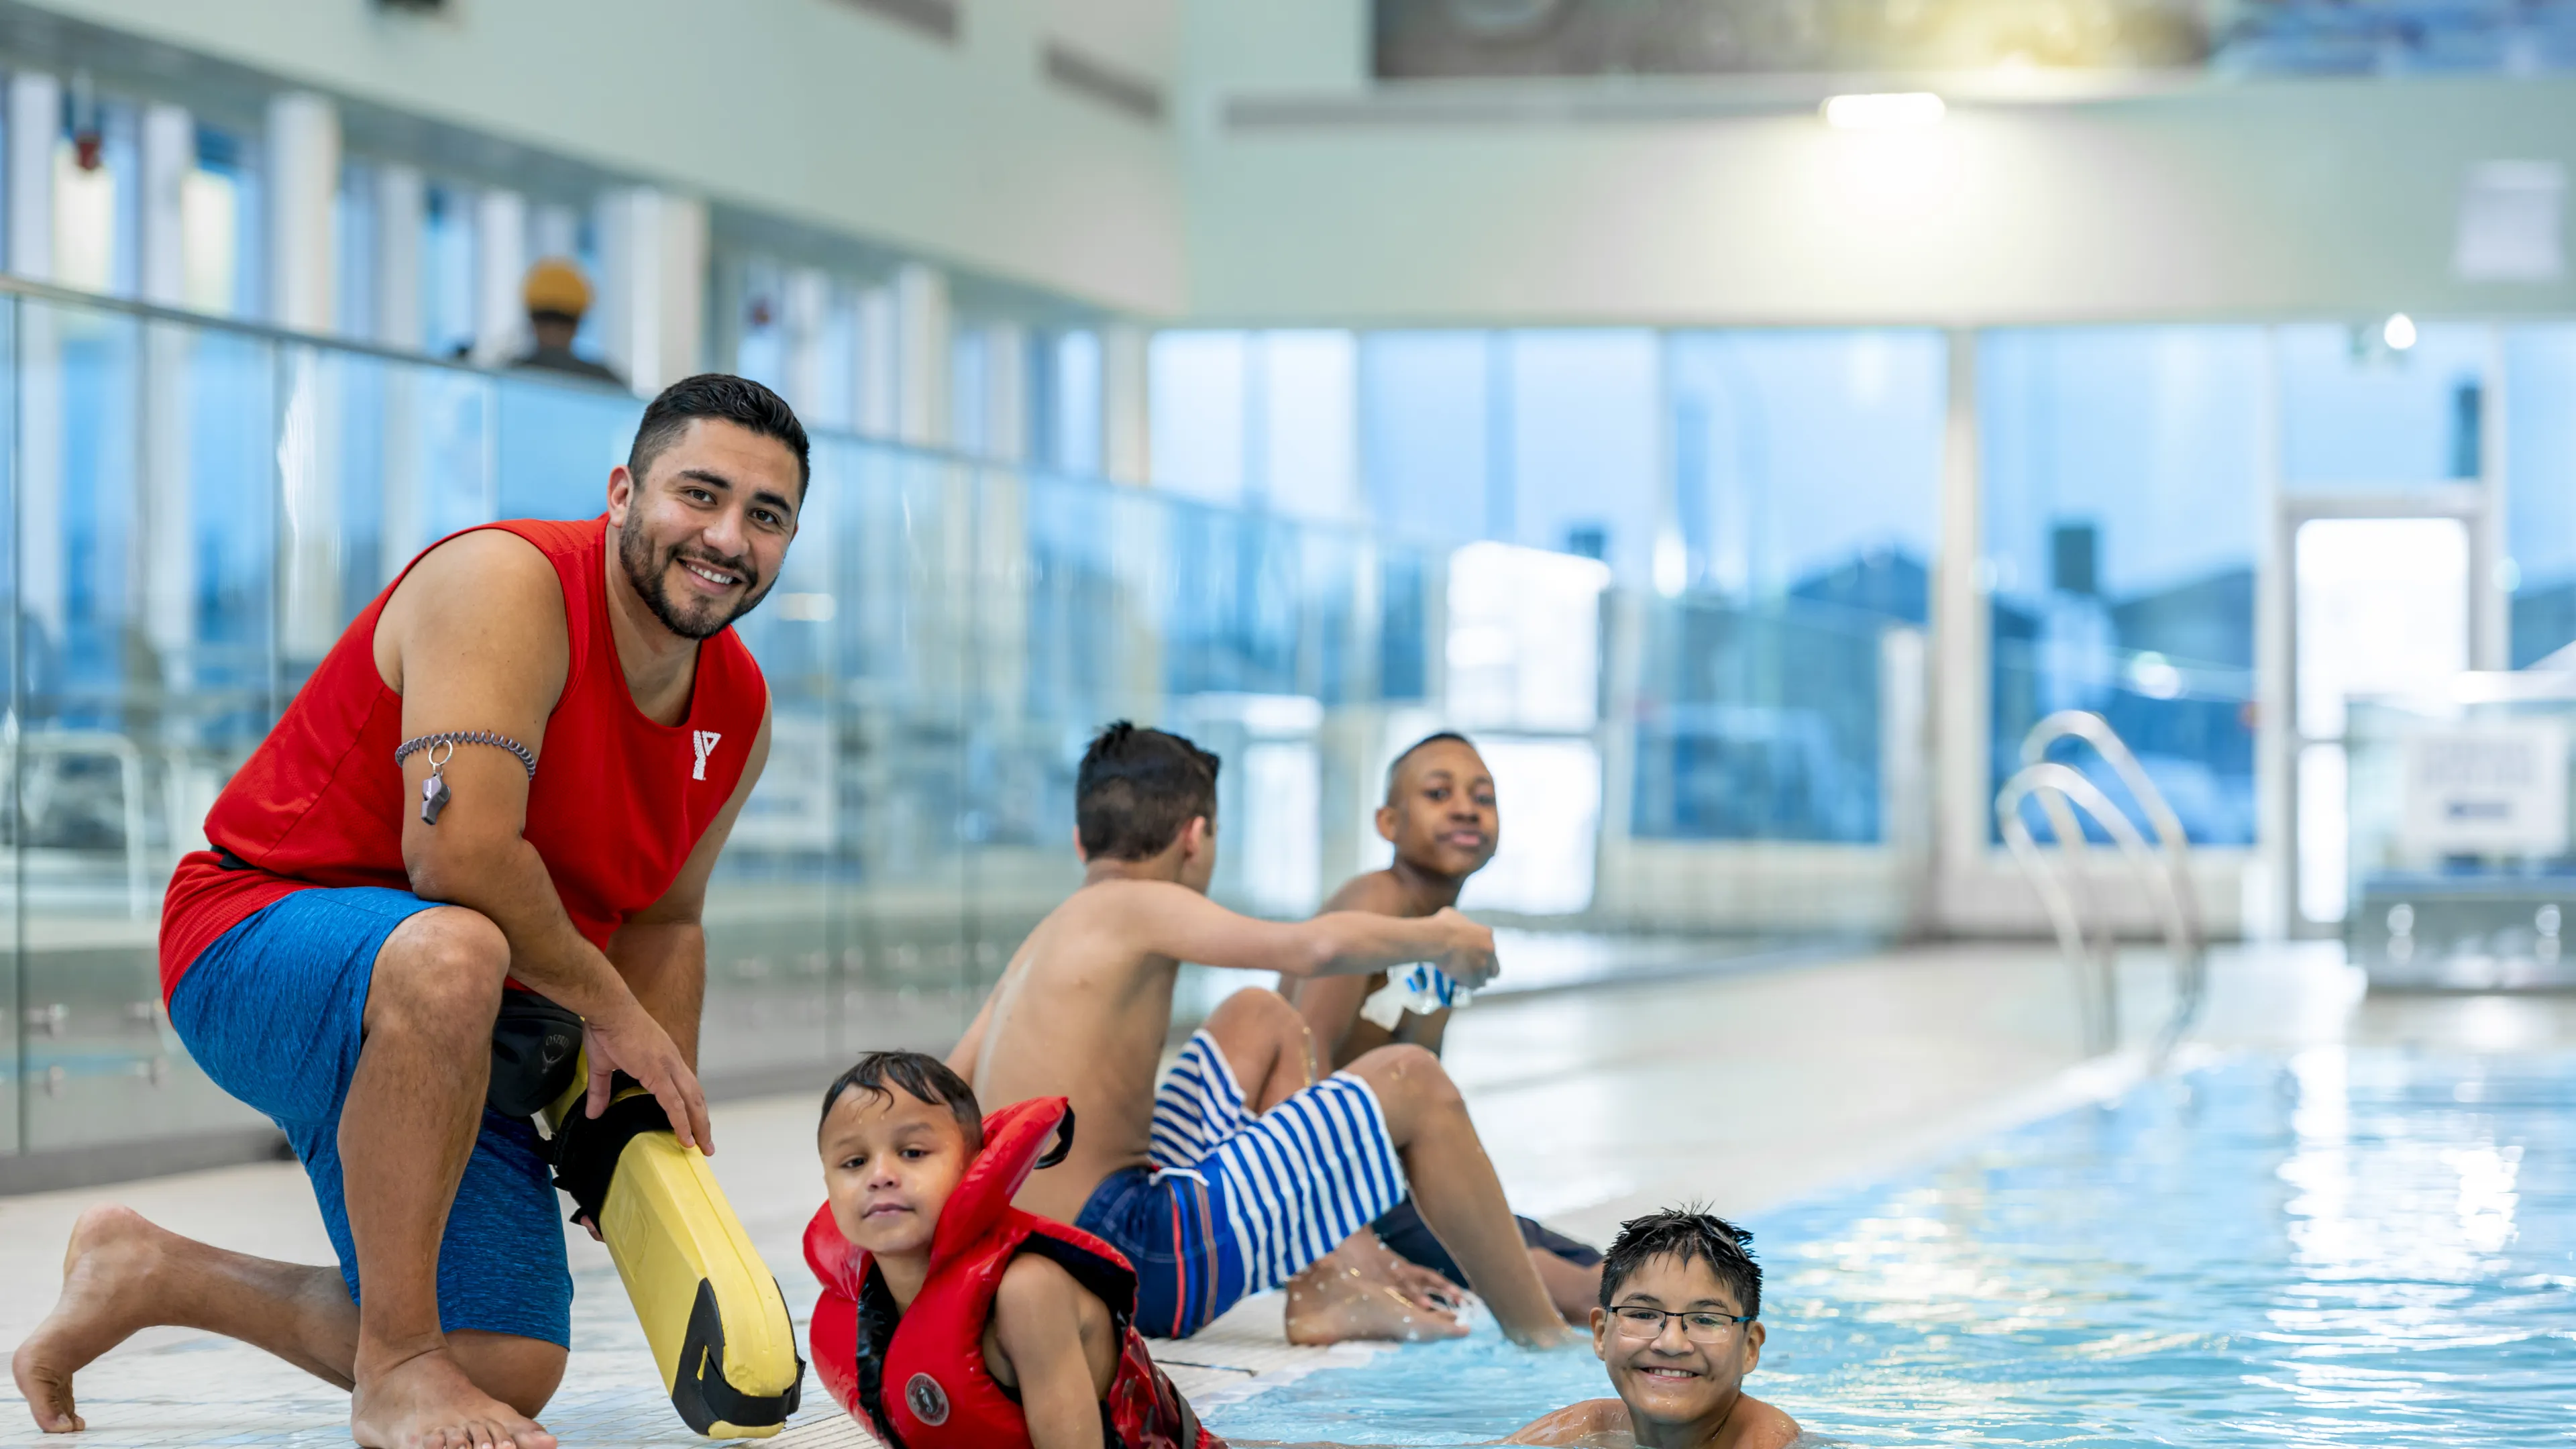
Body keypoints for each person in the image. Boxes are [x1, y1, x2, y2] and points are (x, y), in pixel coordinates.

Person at [10, 374, 808, 1449]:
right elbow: (457, 849)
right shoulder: (504, 582)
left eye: (767, 515)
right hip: (257, 938)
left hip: (460, 1012)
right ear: (623, 492)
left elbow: (667, 919)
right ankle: (392, 1367)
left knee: (505, 1360)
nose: (726, 537)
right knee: (453, 947)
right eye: (699, 495)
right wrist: (608, 1009)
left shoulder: (740, 709)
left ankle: (151, 1271)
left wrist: (639, 1127)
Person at [949, 722, 1570, 1349]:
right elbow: (1314, 946)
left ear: (1082, 842)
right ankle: (1544, 1340)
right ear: (1196, 837)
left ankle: (1327, 1280)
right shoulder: (1142, 900)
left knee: (1261, 1015)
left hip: (1033, 1248)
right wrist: (1446, 938)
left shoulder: (1045, 937)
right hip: (1122, 1253)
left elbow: (951, 1088)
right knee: (1412, 1079)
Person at [1284, 732, 1605, 1322]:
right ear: (1387, 822)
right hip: (1337, 1199)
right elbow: (1298, 1072)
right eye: (1439, 793)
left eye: (1483, 796)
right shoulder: (1374, 903)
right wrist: (1353, 1250)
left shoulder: (1443, 938)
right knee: (1596, 1297)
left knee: (1609, 1273)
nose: (1465, 807)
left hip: (1392, 1193)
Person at [804, 1051, 1222, 1449]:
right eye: (854, 1162)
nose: (880, 1175)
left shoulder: (1026, 1292)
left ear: (975, 1166)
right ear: (828, 1185)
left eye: (913, 1153)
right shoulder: (858, 1317)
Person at [1505, 1210, 1799, 1449]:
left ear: (1749, 1348)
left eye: (1706, 1320)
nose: (1671, 1342)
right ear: (1601, 1335)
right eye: (1644, 1314)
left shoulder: (1766, 1440)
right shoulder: (1589, 1426)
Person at [509, 257, 623, 386]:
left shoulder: (505, 377)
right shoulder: (605, 383)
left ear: (531, 321)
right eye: (546, 319)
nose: (553, 331)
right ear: (579, 323)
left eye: (562, 321)